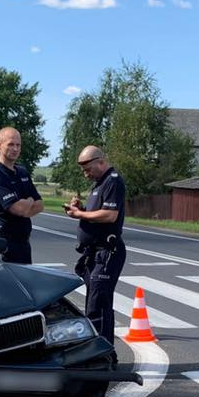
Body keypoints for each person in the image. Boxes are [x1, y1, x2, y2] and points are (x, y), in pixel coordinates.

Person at [65, 145, 127, 344]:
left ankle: (102, 354)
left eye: (88, 169)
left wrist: (80, 214)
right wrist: (82, 208)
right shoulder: (100, 183)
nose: (85, 174)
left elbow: (110, 215)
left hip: (107, 252)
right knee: (96, 303)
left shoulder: (113, 181)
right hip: (95, 253)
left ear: (100, 161)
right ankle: (101, 351)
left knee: (98, 305)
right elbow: (96, 215)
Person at [0, 126, 43, 264]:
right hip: (5, 246)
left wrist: (25, 206)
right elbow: (18, 209)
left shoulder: (22, 173)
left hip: (24, 244)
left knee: (26, 284)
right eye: (10, 144)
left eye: (18, 145)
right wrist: (29, 201)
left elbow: (40, 205)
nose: (15, 149)